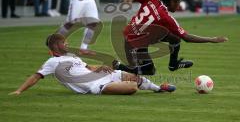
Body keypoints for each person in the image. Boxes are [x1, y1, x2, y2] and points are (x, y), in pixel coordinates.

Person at [94, 0, 228, 75]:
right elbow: (187, 37)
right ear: (172, 2)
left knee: (174, 38)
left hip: (134, 35)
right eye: (178, 3)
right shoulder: (166, 18)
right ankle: (118, 67)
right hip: (134, 42)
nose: (179, 6)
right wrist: (212, 39)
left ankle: (173, 64)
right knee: (149, 70)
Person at [9, 34, 176, 96]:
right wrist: (18, 90)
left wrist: (100, 67)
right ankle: (128, 84)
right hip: (97, 86)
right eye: (64, 42)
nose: (67, 44)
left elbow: (88, 67)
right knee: (132, 87)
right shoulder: (52, 62)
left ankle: (159, 89)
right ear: (56, 46)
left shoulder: (72, 56)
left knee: (136, 78)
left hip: (104, 75)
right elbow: (35, 76)